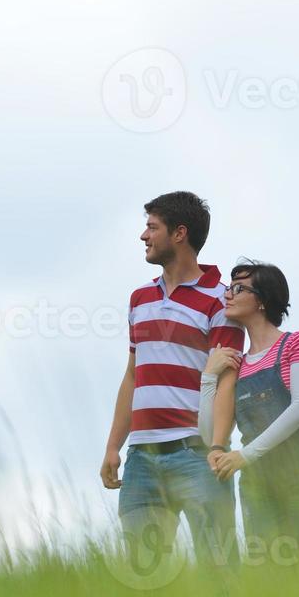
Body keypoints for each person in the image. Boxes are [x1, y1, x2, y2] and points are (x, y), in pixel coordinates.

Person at [101, 192, 244, 569]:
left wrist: (216, 445)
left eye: (152, 227)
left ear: (179, 234)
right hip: (142, 459)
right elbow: (133, 375)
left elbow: (227, 380)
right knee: (143, 572)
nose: (143, 236)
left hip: (196, 454)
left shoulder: (221, 301)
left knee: (219, 571)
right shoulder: (139, 299)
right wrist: (114, 446)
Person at [198, 260, 299, 556]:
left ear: (261, 299)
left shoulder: (297, 343)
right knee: (266, 571)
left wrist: (244, 455)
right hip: (258, 479)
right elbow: (211, 436)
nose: (228, 294)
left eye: (238, 287)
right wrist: (209, 377)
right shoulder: (236, 365)